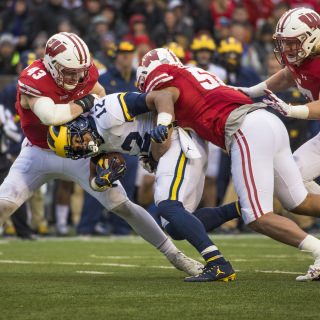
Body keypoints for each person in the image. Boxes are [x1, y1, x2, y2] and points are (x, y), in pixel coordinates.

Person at [0, 31, 204, 277]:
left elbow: (99, 94)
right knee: (4, 204)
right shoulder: (35, 78)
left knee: (122, 205)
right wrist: (85, 102)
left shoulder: (84, 73)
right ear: (52, 67)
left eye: (80, 72)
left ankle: (176, 256)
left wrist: (100, 148)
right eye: (70, 72)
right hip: (38, 151)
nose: (77, 78)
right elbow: (51, 116)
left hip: (81, 151)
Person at [135, 47, 320, 282]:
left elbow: (165, 100)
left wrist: (160, 128)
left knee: (257, 217)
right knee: (297, 200)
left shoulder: (164, 75)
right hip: (268, 122)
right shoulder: (197, 74)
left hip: (244, 129)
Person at [47, 91, 240, 282]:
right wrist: (100, 182)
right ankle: (243, 208)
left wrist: (163, 124)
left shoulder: (107, 112)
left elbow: (163, 96)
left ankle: (218, 263)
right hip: (166, 150)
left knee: (167, 205)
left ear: (78, 124)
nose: (83, 147)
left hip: (177, 137)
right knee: (176, 227)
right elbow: (93, 173)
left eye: (78, 141)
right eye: (76, 150)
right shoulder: (94, 140)